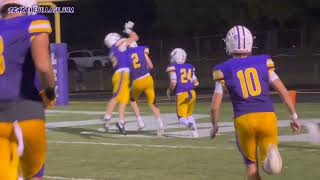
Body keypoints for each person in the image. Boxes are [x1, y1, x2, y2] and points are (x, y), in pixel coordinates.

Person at [210, 25, 301, 180]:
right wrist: (294, 116)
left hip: (244, 120)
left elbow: (214, 106)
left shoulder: (224, 68)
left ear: (229, 44)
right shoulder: (263, 61)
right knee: (268, 165)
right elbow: (283, 91)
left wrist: (215, 126)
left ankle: (269, 161)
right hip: (267, 116)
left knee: (251, 166)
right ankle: (271, 161)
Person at [0, 0, 56, 179]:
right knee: (34, 174)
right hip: (26, 108)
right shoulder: (34, 22)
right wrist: (49, 91)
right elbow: (44, 66)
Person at [103, 21, 139, 135]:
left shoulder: (112, 50)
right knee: (116, 97)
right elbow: (135, 37)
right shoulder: (119, 44)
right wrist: (129, 30)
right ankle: (106, 119)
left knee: (123, 100)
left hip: (123, 74)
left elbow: (115, 62)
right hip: (122, 74)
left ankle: (121, 123)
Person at [126, 41, 164, 136]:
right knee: (153, 103)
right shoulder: (142, 50)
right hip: (148, 78)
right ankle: (161, 126)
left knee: (132, 100)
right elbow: (151, 66)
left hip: (137, 81)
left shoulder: (127, 54)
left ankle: (140, 122)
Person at [166, 48, 199, 138]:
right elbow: (196, 83)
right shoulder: (190, 67)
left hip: (181, 94)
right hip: (192, 93)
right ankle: (195, 132)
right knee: (189, 114)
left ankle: (189, 125)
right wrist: (189, 88)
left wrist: (169, 91)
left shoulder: (172, 67)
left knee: (181, 117)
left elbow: (173, 82)